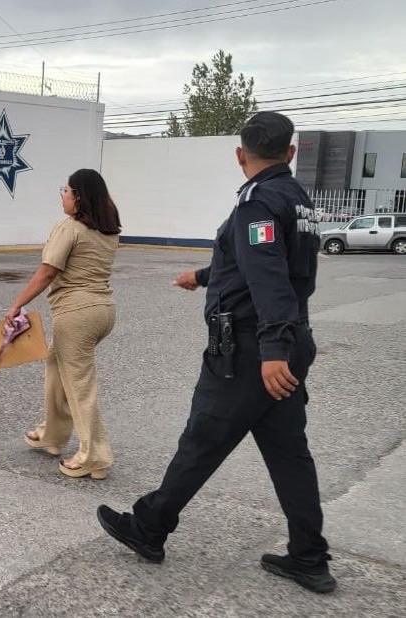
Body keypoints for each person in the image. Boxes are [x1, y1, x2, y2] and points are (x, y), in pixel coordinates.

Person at [96, 112, 335, 593]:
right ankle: (309, 557)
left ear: (240, 154)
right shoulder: (296, 198)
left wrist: (271, 351)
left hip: (252, 350)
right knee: (290, 453)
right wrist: (203, 277)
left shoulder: (257, 202)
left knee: (203, 438)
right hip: (287, 341)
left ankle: (149, 527)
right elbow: (255, 263)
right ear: (291, 153)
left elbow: (268, 278)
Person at [5, 168, 121, 480]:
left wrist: (18, 304)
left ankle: (94, 456)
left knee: (80, 385)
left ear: (78, 197)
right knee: (57, 366)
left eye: (66, 191)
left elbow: (47, 271)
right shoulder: (107, 229)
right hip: (103, 310)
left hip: (76, 315)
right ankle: (53, 434)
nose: (63, 196)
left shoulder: (70, 227)